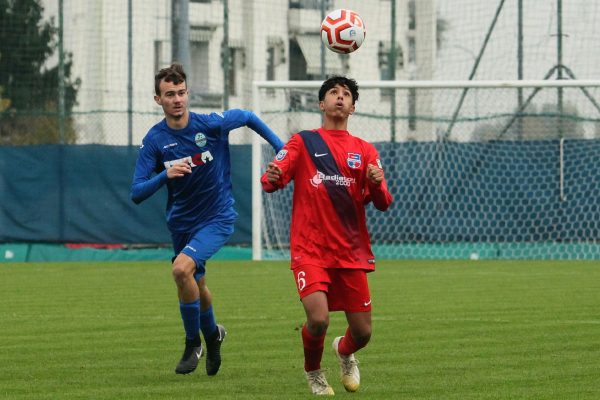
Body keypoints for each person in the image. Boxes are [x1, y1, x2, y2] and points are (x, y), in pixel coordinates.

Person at [131, 63, 283, 376]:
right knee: (195, 283)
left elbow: (248, 117)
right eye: (170, 94)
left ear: (188, 93)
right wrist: (165, 174)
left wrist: (283, 150)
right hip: (181, 223)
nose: (177, 99)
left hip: (217, 217)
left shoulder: (210, 125)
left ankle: (193, 344)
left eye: (182, 92)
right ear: (158, 99)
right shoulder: (154, 140)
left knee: (180, 269)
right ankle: (213, 336)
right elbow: (136, 191)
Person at [261, 76, 393, 395]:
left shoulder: (364, 150)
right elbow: (270, 181)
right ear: (322, 104)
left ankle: (344, 351)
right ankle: (314, 372)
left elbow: (384, 202)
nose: (339, 97)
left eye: (345, 94)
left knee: (362, 333)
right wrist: (274, 175)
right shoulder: (303, 142)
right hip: (310, 250)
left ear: (353, 107)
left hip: (350, 252)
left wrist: (376, 182)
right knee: (318, 318)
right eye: (333, 92)